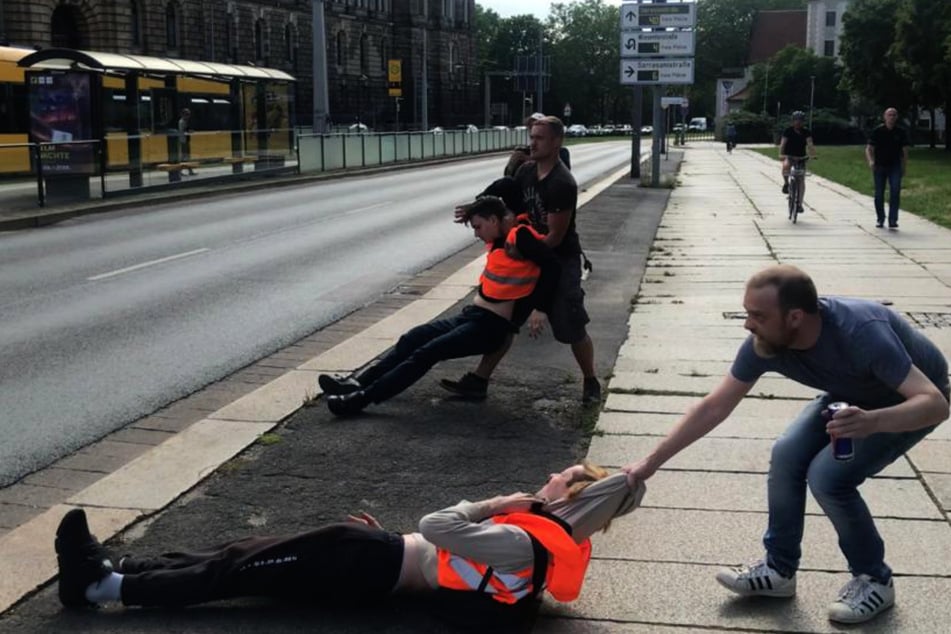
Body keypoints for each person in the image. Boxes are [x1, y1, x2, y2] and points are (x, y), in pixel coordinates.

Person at [622, 264, 949, 625]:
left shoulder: (860, 333)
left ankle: (875, 579)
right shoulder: (765, 344)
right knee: (787, 455)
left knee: (828, 477)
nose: (748, 324)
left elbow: (934, 404)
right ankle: (779, 570)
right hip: (851, 394)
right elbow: (714, 406)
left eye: (757, 315)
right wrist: (649, 463)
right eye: (748, 313)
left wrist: (872, 422)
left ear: (794, 317)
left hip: (905, 404)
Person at [54, 463, 646, 612]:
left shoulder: (528, 543)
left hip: (372, 568)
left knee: (234, 571)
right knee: (239, 553)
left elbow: (441, 526)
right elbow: (443, 549)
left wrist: (495, 502)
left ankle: (100, 589)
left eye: (561, 477)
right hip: (378, 555)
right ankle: (125, 567)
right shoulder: (541, 541)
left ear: (570, 497)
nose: (550, 475)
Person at [317, 177, 560, 416]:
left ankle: (361, 399)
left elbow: (552, 266)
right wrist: (476, 206)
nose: (476, 234)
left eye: (478, 227)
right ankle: (357, 384)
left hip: (490, 327)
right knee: (412, 339)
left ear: (494, 220)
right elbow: (503, 190)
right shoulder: (498, 235)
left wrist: (541, 309)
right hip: (472, 317)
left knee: (427, 353)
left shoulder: (521, 237)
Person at [444, 115, 600, 404]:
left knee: (570, 326)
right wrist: (476, 206)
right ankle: (479, 380)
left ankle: (591, 381)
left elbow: (554, 237)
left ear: (556, 142)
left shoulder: (562, 183)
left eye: (539, 138)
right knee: (505, 320)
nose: (533, 142)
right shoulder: (527, 172)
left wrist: (520, 250)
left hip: (559, 260)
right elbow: (504, 199)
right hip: (528, 253)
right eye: (532, 137)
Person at [865, 107, 909, 230]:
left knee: (895, 191)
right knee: (879, 194)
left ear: (897, 117)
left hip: (895, 165)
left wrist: (904, 166)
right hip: (879, 165)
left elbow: (905, 151)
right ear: (884, 117)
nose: (892, 117)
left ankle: (893, 220)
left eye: (894, 115)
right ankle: (880, 218)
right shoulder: (878, 131)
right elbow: (869, 148)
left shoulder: (900, 132)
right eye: (889, 115)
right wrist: (871, 161)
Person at [778, 111, 815, 196]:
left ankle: (799, 203)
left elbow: (810, 144)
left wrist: (812, 154)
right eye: (796, 120)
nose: (798, 122)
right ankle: (786, 183)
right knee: (786, 167)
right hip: (789, 156)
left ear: (803, 121)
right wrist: (781, 154)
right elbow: (783, 144)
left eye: (800, 120)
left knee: (801, 179)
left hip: (801, 157)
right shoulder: (788, 131)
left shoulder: (806, 132)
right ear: (793, 121)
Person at [177, 108, 196, 175]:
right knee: (184, 156)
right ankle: (180, 170)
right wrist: (189, 131)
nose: (188, 116)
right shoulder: (181, 122)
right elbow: (183, 131)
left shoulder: (185, 121)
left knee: (187, 156)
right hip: (183, 140)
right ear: (183, 114)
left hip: (186, 140)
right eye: (187, 114)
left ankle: (190, 170)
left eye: (188, 114)